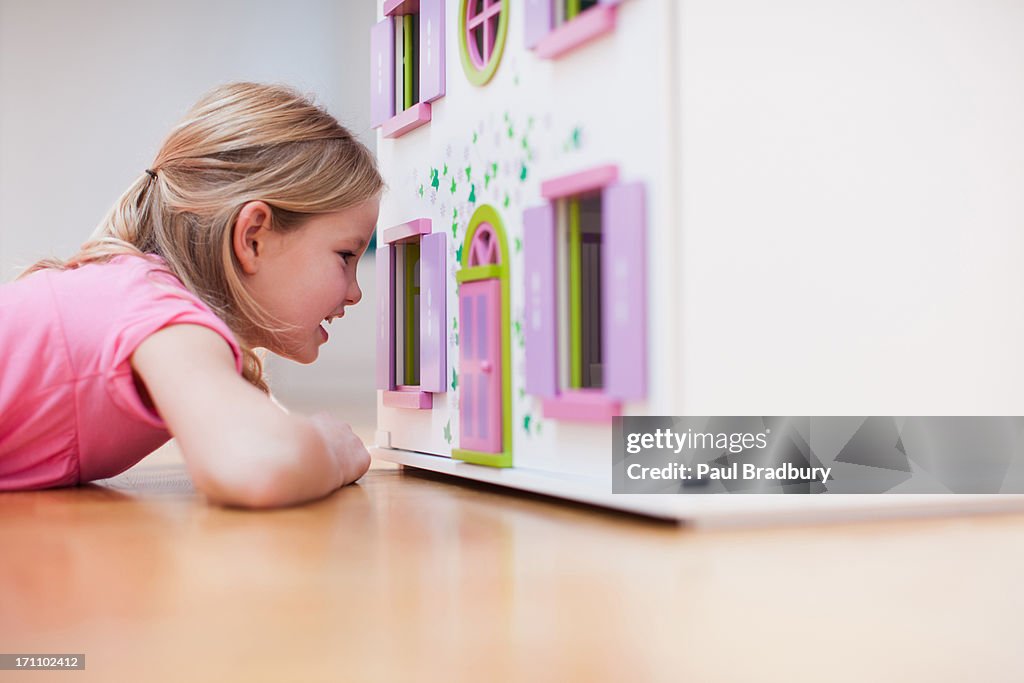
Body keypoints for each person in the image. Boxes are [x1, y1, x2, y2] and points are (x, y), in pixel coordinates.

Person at [0, 82, 382, 507]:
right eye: (345, 255)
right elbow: (257, 462)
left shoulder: (143, 296)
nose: (355, 293)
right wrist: (331, 447)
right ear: (253, 238)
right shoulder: (158, 310)